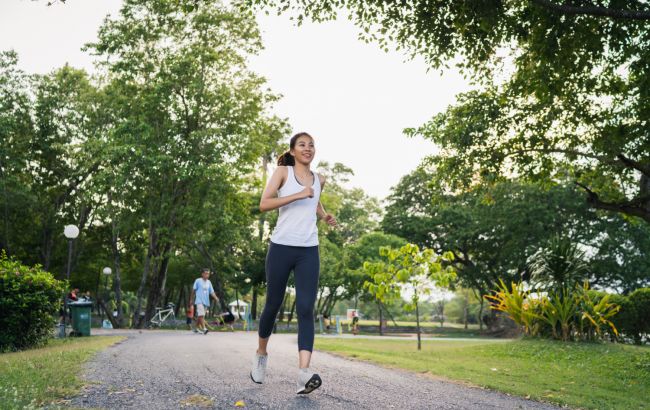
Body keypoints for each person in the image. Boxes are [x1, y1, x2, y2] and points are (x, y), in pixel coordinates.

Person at [250, 132, 337, 395]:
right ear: (293, 150)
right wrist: (297, 195)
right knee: (273, 305)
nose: (308, 148)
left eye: (311, 145)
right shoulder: (282, 172)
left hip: (308, 249)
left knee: (306, 307)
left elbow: (315, 198)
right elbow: (264, 204)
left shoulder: (319, 179)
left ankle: (303, 374)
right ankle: (261, 353)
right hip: (281, 247)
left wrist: (324, 215)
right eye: (302, 145)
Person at [190, 268, 219, 335]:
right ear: (202, 274)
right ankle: (204, 329)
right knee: (201, 314)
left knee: (200, 316)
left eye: (208, 274)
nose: (207, 275)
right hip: (199, 300)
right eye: (205, 273)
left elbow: (212, 292)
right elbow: (193, 290)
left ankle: (196, 328)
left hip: (206, 302)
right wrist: (191, 299)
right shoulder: (198, 280)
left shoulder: (209, 282)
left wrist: (216, 298)